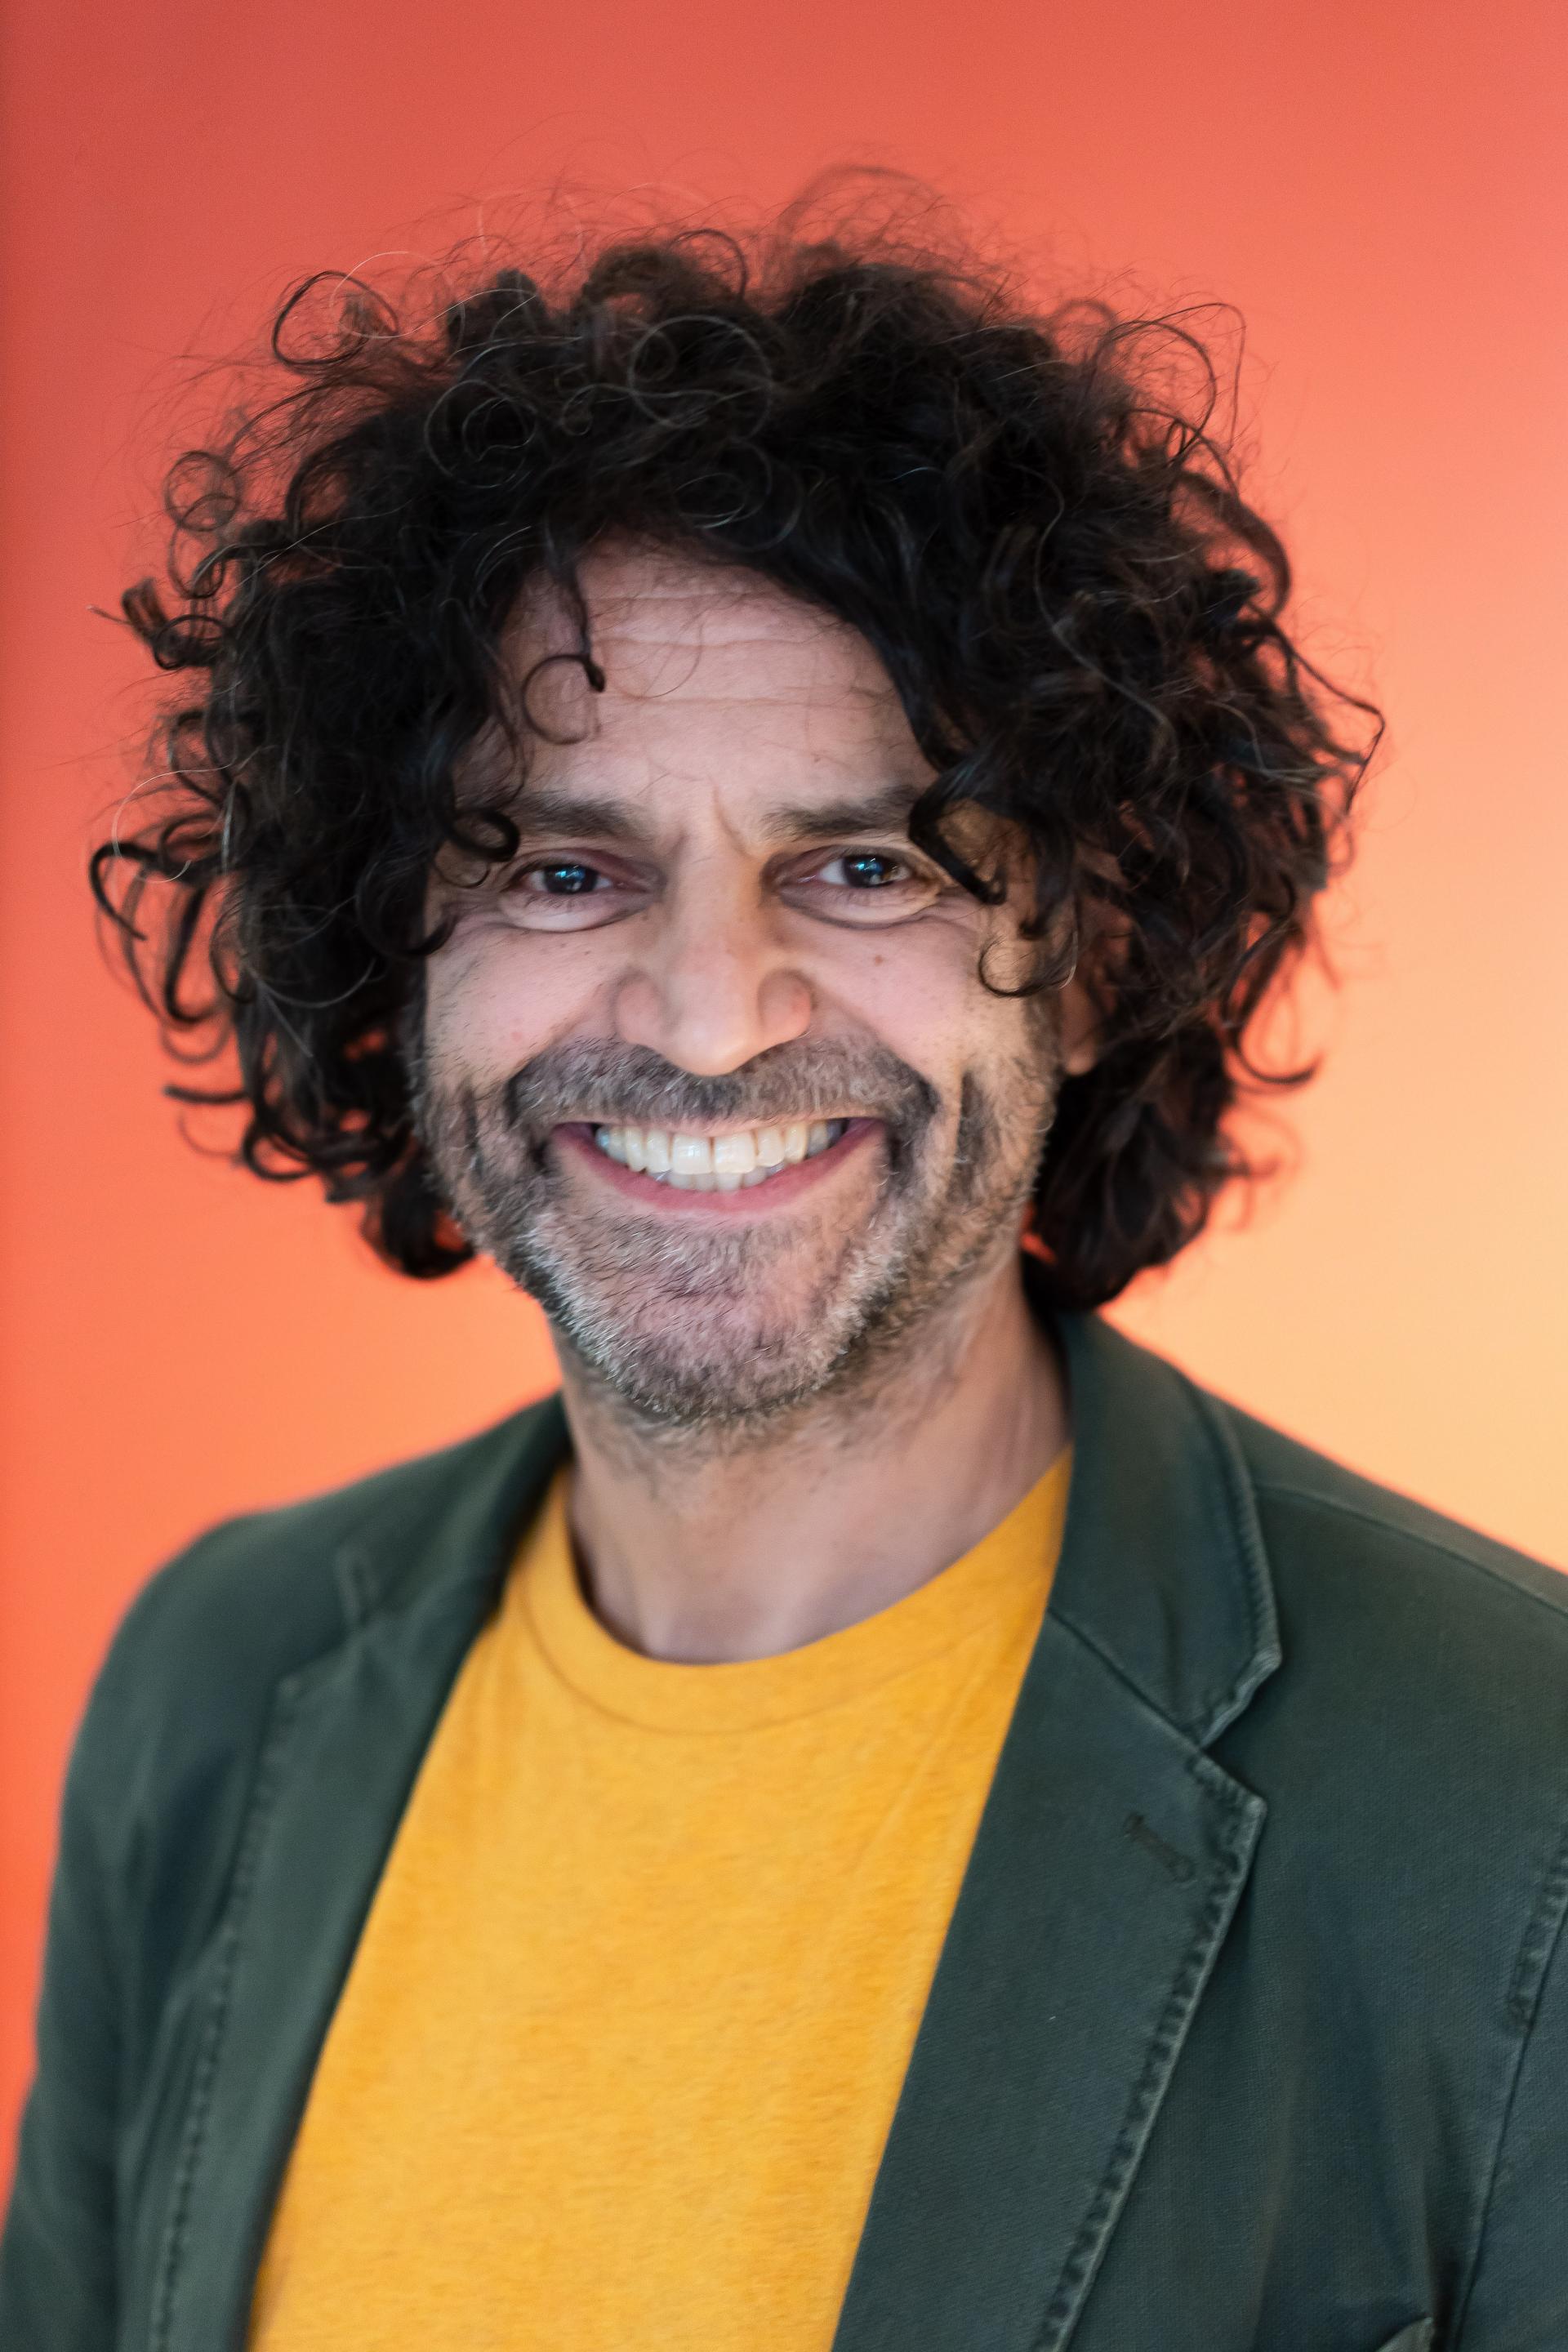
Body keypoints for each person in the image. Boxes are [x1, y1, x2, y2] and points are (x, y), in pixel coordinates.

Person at [2, 202, 1565, 2352]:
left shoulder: (1518, 1795)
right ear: (399, 958)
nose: (713, 1015)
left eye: (861, 865)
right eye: (565, 865)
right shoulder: (210, 1685)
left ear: (1097, 954)